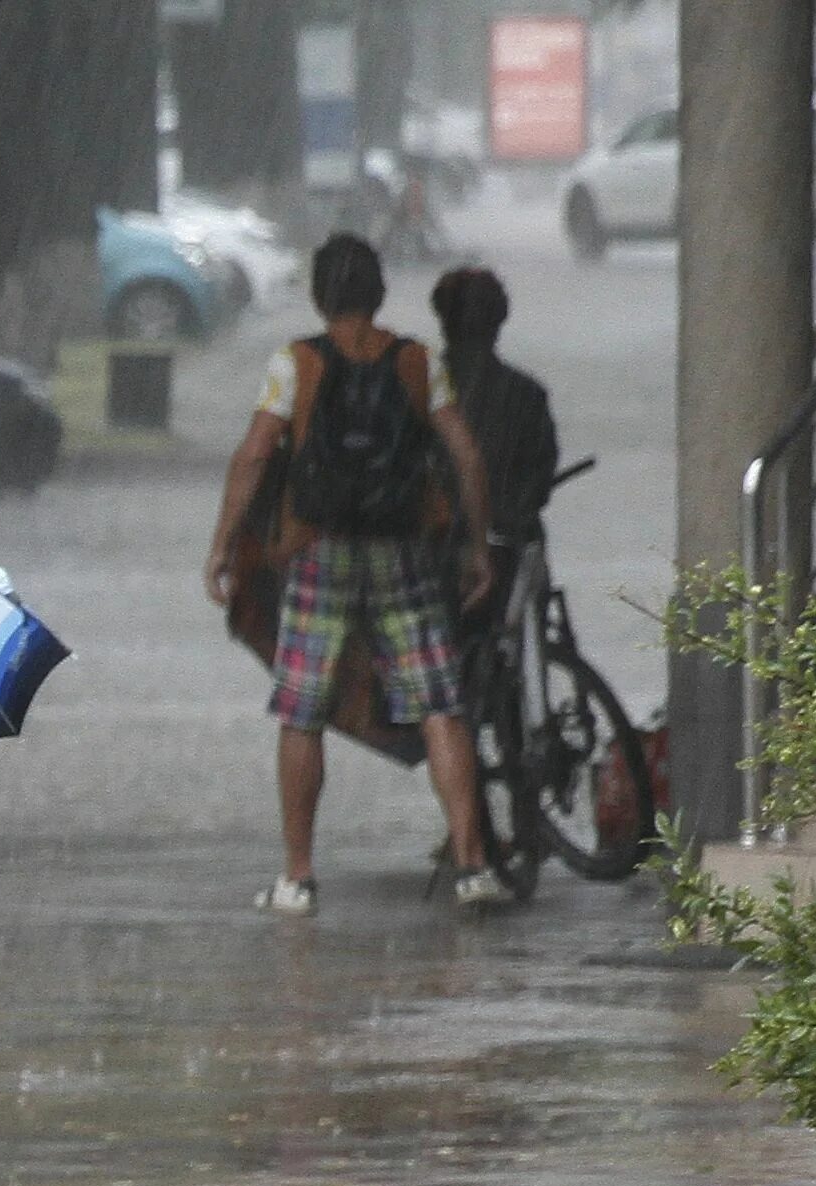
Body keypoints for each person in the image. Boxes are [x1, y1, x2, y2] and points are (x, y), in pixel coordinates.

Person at [205, 231, 504, 913]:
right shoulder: (417, 362)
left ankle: (298, 877)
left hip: (319, 549)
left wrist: (223, 543)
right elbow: (466, 456)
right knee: (438, 703)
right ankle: (471, 866)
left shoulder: (297, 364)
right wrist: (475, 546)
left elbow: (254, 454)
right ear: (377, 292)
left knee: (301, 708)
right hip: (403, 547)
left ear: (318, 295)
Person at [429, 264, 561, 563]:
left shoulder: (417, 388)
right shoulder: (528, 394)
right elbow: (540, 476)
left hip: (435, 546)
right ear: (499, 320)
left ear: (442, 320)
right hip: (513, 544)